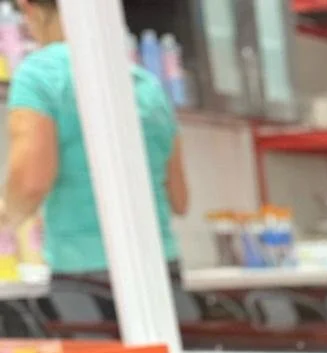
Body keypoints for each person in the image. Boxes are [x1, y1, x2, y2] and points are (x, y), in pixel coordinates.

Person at [0, 0, 187, 330]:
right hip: (162, 270)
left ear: (30, 10)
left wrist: (7, 216)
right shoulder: (148, 86)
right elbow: (180, 199)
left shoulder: (39, 74)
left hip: (88, 281)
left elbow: (30, 183)